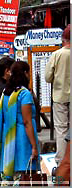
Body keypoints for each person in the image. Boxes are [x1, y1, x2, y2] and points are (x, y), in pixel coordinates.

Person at [0, 61, 39, 185]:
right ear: (25, 73)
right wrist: (34, 146)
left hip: (8, 140)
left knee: (10, 177)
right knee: (23, 175)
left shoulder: (6, 93)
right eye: (28, 73)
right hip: (22, 140)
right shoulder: (24, 94)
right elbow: (27, 122)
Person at [45, 24, 70, 166]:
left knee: (61, 129)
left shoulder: (57, 54)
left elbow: (48, 77)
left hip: (60, 97)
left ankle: (61, 163)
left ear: (63, 39)